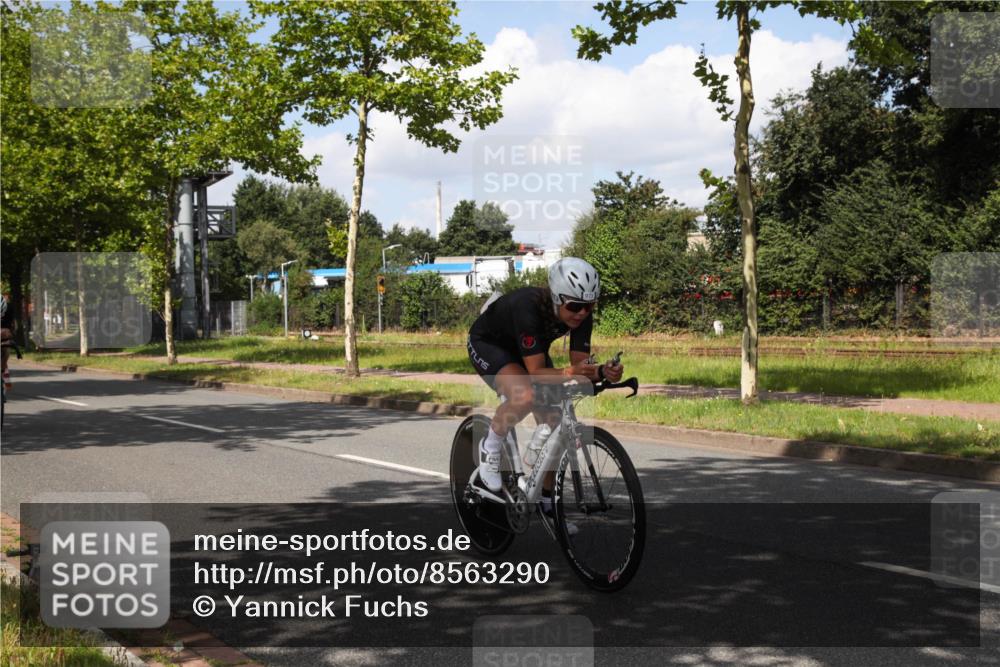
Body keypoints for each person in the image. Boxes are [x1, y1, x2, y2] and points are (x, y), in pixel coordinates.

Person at [466, 257, 624, 511]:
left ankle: (547, 502)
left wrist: (603, 371)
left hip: (530, 352)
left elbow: (579, 365)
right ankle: (490, 447)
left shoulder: (581, 316)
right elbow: (537, 372)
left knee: (553, 419)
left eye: (589, 306)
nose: (582, 313)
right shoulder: (527, 307)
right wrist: (570, 372)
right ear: (557, 298)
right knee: (525, 395)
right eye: (574, 306)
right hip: (491, 345)